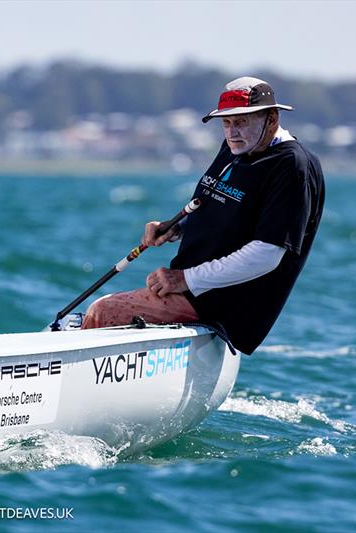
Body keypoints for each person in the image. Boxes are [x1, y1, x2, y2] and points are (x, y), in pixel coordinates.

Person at [81, 76, 325, 355]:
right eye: (227, 122)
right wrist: (176, 225)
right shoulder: (240, 146)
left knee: (104, 311)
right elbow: (217, 204)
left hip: (223, 305)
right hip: (196, 291)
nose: (232, 132)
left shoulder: (292, 166)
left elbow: (266, 254)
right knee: (88, 315)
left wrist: (184, 279)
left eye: (242, 121)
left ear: (272, 118)